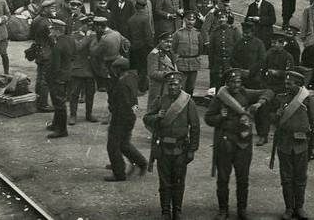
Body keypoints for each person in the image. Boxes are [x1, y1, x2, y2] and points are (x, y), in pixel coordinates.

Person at [205, 68, 274, 220]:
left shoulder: (246, 94)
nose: (236, 84)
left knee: (243, 179)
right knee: (223, 179)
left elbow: (269, 92)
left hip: (243, 144)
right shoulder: (220, 98)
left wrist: (260, 103)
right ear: (227, 83)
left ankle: (242, 210)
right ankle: (223, 210)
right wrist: (220, 117)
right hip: (225, 142)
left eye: (238, 81)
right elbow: (208, 118)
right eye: (233, 82)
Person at [144, 70, 202, 220]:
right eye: (170, 85)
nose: (172, 88)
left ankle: (177, 210)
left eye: (175, 85)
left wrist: (192, 150)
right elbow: (146, 118)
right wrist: (157, 117)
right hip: (163, 148)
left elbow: (195, 127)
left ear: (180, 85)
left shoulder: (188, 102)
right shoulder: (160, 100)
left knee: (178, 181)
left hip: (181, 148)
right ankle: (165, 211)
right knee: (164, 182)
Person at [272, 67, 314, 220]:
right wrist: (276, 116)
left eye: (290, 83)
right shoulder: (280, 98)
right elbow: (270, 118)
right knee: (286, 178)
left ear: (298, 84)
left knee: (300, 178)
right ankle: (288, 208)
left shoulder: (307, 99)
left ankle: (299, 208)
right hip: (284, 144)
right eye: (286, 83)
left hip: (301, 144)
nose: (286, 86)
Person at [104, 57, 148, 182]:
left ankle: (119, 173)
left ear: (119, 69)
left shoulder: (121, 84)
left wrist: (113, 114)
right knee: (124, 144)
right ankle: (141, 163)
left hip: (121, 118)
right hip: (130, 116)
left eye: (114, 68)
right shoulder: (132, 77)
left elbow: (119, 104)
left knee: (113, 146)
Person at [46, 18, 75, 138]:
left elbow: (55, 66)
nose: (50, 32)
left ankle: (62, 130)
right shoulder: (70, 40)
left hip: (58, 78)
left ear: (57, 31)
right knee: (61, 101)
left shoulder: (58, 46)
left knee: (59, 103)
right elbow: (73, 56)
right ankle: (55, 124)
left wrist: (50, 77)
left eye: (52, 29)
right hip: (68, 74)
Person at [69, 13, 100, 124]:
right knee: (74, 94)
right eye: (88, 25)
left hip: (90, 69)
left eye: (91, 26)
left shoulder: (94, 35)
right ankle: (73, 115)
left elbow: (95, 50)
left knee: (90, 93)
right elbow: (78, 47)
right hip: (78, 68)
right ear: (82, 25)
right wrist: (87, 37)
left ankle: (89, 114)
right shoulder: (74, 36)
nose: (90, 28)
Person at [171, 10, 203, 97]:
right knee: (181, 87)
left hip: (194, 63)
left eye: (192, 20)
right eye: (188, 20)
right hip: (182, 64)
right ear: (184, 20)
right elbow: (173, 49)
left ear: (195, 21)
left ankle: (189, 105)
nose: (190, 22)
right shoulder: (178, 34)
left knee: (191, 87)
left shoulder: (198, 33)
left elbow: (201, 49)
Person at [128, 0, 156, 93]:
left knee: (137, 67)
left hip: (134, 47)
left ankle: (137, 86)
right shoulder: (145, 19)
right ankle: (142, 88)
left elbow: (128, 35)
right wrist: (151, 47)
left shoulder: (131, 19)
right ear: (144, 8)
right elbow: (148, 35)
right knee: (144, 68)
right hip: (144, 47)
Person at [148, 32, 179, 111]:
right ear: (160, 41)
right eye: (166, 42)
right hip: (158, 88)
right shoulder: (154, 54)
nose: (169, 44)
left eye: (170, 42)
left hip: (168, 87)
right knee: (154, 111)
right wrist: (169, 75)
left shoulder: (170, 53)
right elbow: (152, 73)